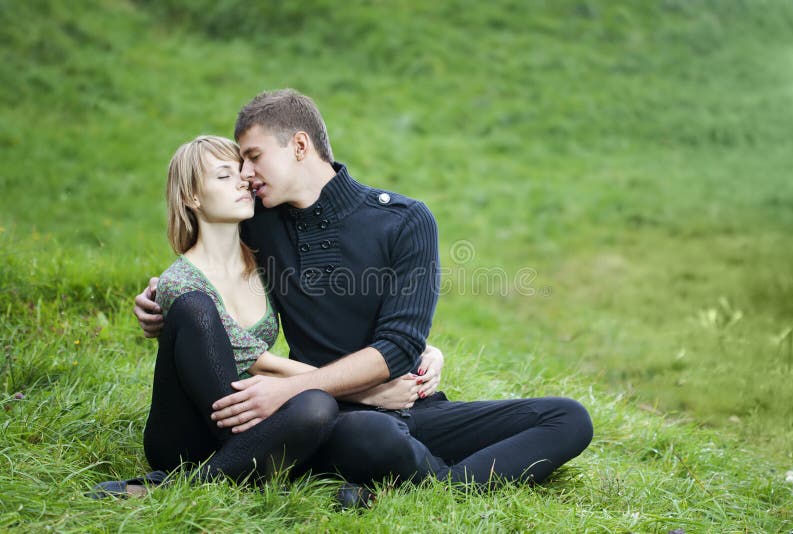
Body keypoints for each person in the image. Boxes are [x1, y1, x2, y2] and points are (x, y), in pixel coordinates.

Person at [135, 89, 593, 489]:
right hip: (335, 415)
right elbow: (207, 272)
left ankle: (442, 483)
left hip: (410, 404)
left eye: (253, 157)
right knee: (368, 436)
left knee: (568, 417)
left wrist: (423, 349)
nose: (247, 175)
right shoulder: (261, 222)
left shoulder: (405, 221)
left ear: (299, 146)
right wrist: (163, 302)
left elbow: (397, 346)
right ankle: (431, 481)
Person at [115, 135, 443, 499]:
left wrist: (415, 348)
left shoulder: (263, 267)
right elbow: (260, 363)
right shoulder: (181, 283)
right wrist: (371, 391)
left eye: (242, 173)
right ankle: (171, 488)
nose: (243, 181)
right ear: (192, 196)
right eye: (225, 177)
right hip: (192, 432)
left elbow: (328, 313)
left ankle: (252, 482)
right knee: (317, 401)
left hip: (253, 420)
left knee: (315, 406)